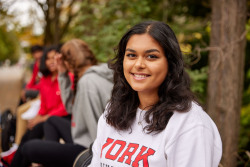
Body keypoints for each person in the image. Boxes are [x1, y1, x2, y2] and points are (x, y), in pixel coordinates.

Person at [88, 21, 222, 167]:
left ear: (170, 64)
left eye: (151, 56)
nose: (138, 64)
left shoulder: (189, 124)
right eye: (131, 55)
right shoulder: (113, 111)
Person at [19, 39, 113, 167]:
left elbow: (96, 127)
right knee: (51, 120)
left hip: (90, 149)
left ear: (68, 62)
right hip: (86, 138)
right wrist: (62, 74)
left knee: (28, 148)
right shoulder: (100, 73)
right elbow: (71, 108)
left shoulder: (88, 82)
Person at [9, 45, 69, 167]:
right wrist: (38, 116)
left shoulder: (67, 78)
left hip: (61, 118)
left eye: (54, 58)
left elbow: (65, 107)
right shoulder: (45, 79)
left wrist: (43, 118)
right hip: (46, 117)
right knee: (29, 131)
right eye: (48, 58)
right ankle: (16, 162)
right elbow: (44, 104)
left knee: (36, 130)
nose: (51, 61)